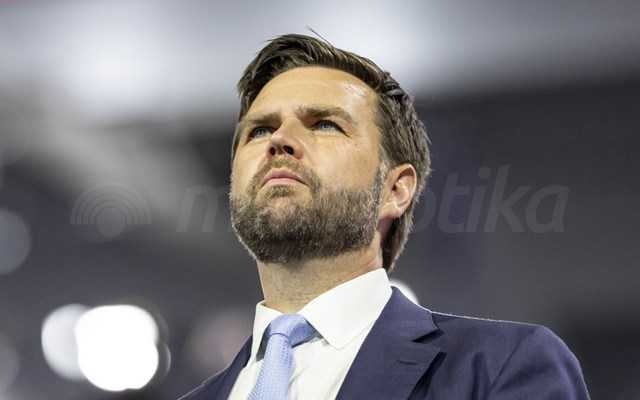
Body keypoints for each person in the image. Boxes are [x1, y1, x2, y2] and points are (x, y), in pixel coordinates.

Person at [179, 33, 589, 400]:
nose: (280, 140)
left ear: (396, 189)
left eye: (324, 124)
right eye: (260, 130)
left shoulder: (500, 367)